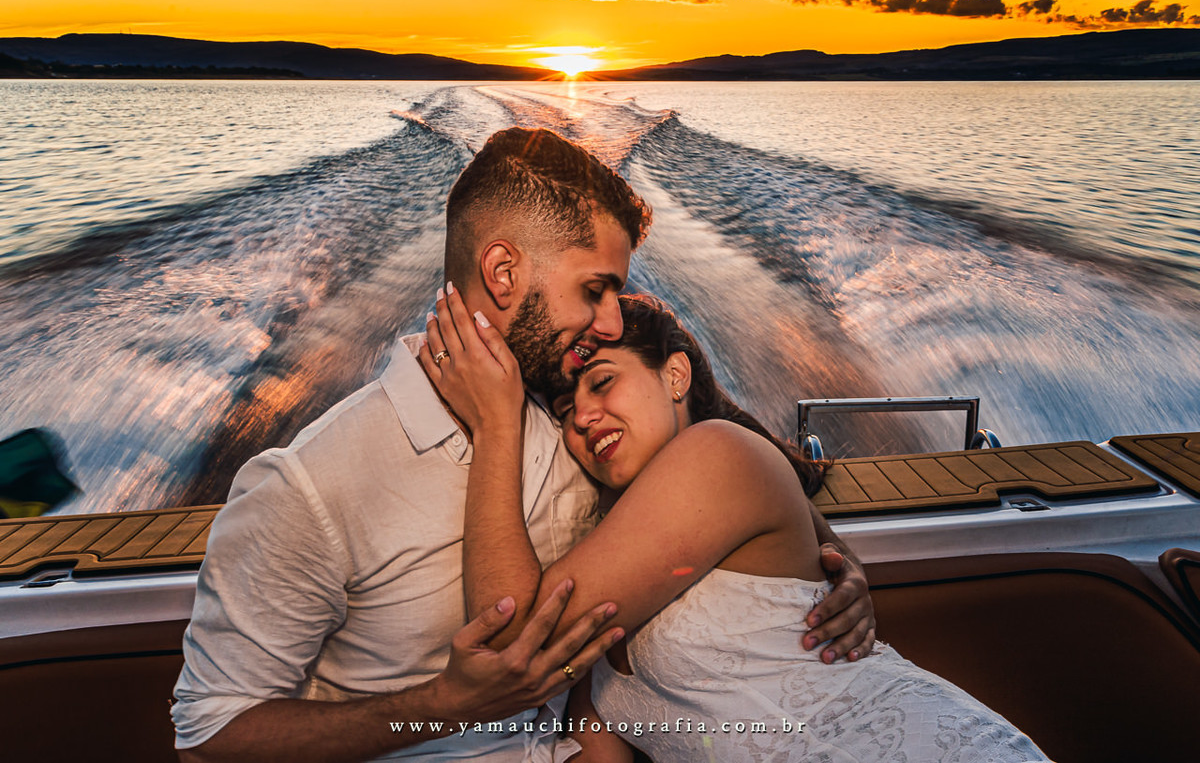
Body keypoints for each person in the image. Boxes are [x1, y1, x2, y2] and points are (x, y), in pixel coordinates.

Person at [172, 128, 875, 763]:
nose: (608, 321)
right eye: (595, 289)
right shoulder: (310, 483)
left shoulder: (577, 415)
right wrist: (434, 708)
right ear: (504, 272)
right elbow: (209, 734)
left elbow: (712, 463)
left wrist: (834, 560)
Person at [421, 292, 1050, 762]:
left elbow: (507, 645)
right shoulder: (612, 574)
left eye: (602, 382)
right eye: (564, 409)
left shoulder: (717, 451)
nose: (583, 415)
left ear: (674, 375)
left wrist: (496, 428)